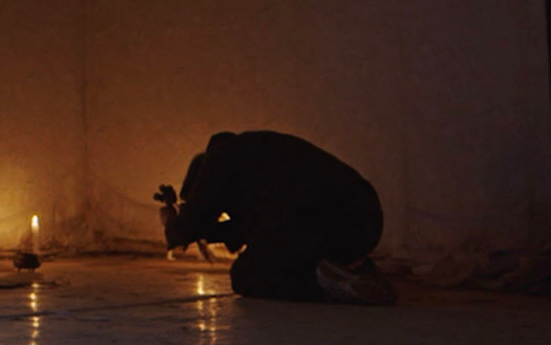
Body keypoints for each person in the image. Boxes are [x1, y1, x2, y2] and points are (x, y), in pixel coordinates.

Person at [156, 130, 396, 305]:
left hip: (322, 220)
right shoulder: (256, 158)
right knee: (278, 253)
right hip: (364, 222)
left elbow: (191, 224)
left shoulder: (221, 159)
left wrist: (172, 222)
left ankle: (329, 287)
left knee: (247, 275)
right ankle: (354, 273)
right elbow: (241, 228)